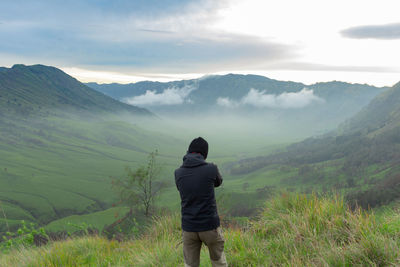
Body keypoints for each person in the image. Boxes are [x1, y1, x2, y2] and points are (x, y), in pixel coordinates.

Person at [175, 137, 228, 267]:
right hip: (209, 226)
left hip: (189, 228)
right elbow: (218, 182)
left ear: (188, 152)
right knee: (218, 261)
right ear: (204, 154)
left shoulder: (178, 173)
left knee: (190, 265)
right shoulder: (211, 168)